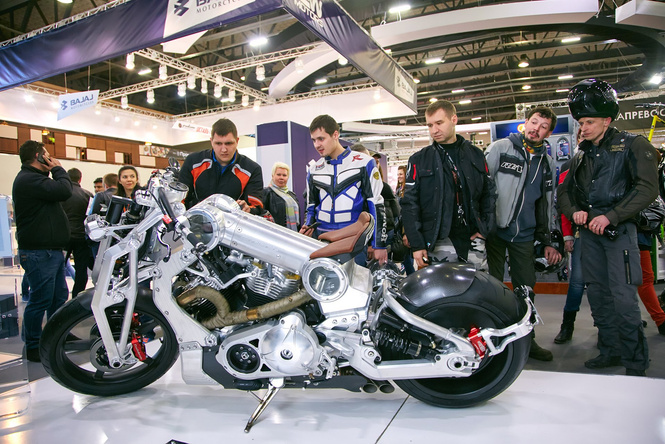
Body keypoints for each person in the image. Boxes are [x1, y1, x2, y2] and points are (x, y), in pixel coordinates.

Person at [557, 78, 659, 377]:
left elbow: (647, 189)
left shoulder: (633, 145)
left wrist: (611, 216)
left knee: (623, 298)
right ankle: (610, 350)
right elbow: (564, 192)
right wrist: (574, 212)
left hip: (619, 234)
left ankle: (635, 361)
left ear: (607, 120)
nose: (584, 128)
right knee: (598, 296)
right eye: (581, 122)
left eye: (589, 122)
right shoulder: (580, 155)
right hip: (590, 235)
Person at [485, 106, 562, 362]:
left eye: (543, 126)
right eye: (534, 122)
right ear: (525, 122)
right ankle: (490, 341)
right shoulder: (500, 148)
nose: (536, 129)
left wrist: (548, 240)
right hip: (495, 232)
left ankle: (527, 341)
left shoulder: (547, 163)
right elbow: (482, 188)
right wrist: (481, 226)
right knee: (492, 287)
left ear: (548, 133)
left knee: (526, 290)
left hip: (525, 235)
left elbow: (547, 204)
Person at [401, 100, 496, 269]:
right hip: (437, 241)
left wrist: (485, 229)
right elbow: (409, 204)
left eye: (439, 123)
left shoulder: (476, 155)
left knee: (477, 285)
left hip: (473, 239)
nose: (434, 130)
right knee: (440, 286)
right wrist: (417, 244)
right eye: (430, 125)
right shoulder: (419, 160)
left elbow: (488, 194)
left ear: (454, 120)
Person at [12, 140, 72, 362]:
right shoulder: (29, 180)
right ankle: (33, 345)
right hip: (39, 252)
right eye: (47, 154)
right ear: (39, 157)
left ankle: (55, 336)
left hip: (48, 251)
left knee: (58, 297)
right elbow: (64, 190)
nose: (51, 158)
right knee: (40, 300)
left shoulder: (35, 180)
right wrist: (58, 169)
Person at [301, 114, 387, 265]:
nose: (317, 145)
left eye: (321, 139)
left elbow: (376, 204)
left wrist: (378, 244)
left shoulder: (364, 163)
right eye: (313, 140)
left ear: (335, 135)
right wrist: (307, 227)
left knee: (355, 279)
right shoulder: (314, 169)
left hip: (353, 239)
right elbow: (311, 206)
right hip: (322, 239)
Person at [180, 118, 264, 213]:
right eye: (218, 143)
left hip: (232, 221)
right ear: (211, 141)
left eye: (229, 143)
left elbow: (257, 207)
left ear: (237, 141)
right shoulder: (193, 162)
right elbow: (180, 200)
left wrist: (248, 209)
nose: (224, 149)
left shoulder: (252, 169)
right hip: (196, 219)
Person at [553, 161, 585, 344]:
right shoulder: (571, 166)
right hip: (582, 232)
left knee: (606, 284)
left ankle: (607, 328)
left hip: (607, 232)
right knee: (577, 282)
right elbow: (565, 203)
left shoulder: (610, 161)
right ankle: (567, 325)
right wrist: (567, 236)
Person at [61, 168, 94, 298]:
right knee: (81, 269)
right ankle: (77, 296)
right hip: (82, 237)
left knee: (59, 267)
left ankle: (61, 295)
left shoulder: (62, 194)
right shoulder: (88, 195)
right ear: (80, 179)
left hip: (64, 236)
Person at [263, 162, 300, 231]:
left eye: (284, 175)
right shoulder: (266, 193)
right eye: (278, 174)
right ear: (272, 176)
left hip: (294, 233)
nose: (281, 177)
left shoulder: (292, 195)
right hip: (274, 233)